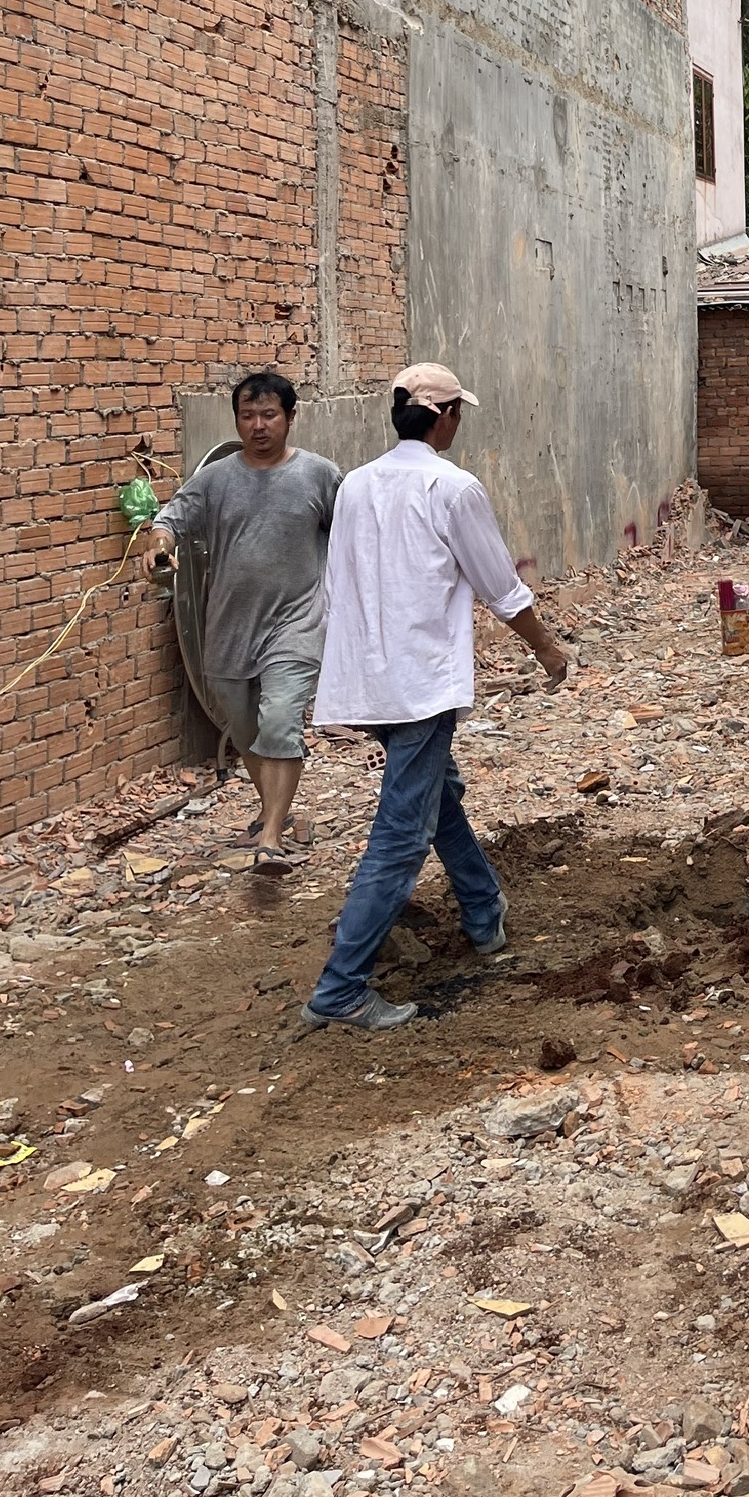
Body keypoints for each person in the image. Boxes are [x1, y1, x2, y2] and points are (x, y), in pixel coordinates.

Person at [301, 363, 571, 1031]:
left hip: (368, 678)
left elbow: (335, 586)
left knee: (433, 794)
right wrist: (546, 647)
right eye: (457, 413)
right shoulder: (452, 488)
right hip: (419, 683)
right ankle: (341, 988)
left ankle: (482, 910)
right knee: (402, 834)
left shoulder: (356, 484)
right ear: (445, 416)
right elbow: (500, 586)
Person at [145, 369, 339, 872]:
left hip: (297, 623)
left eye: (269, 415)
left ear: (290, 417)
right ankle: (275, 811)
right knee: (247, 731)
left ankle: (270, 838)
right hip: (229, 627)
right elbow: (170, 520)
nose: (258, 425)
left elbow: (353, 535)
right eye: (248, 415)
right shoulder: (216, 479)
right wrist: (160, 546)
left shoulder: (319, 475)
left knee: (280, 723)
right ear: (236, 420)